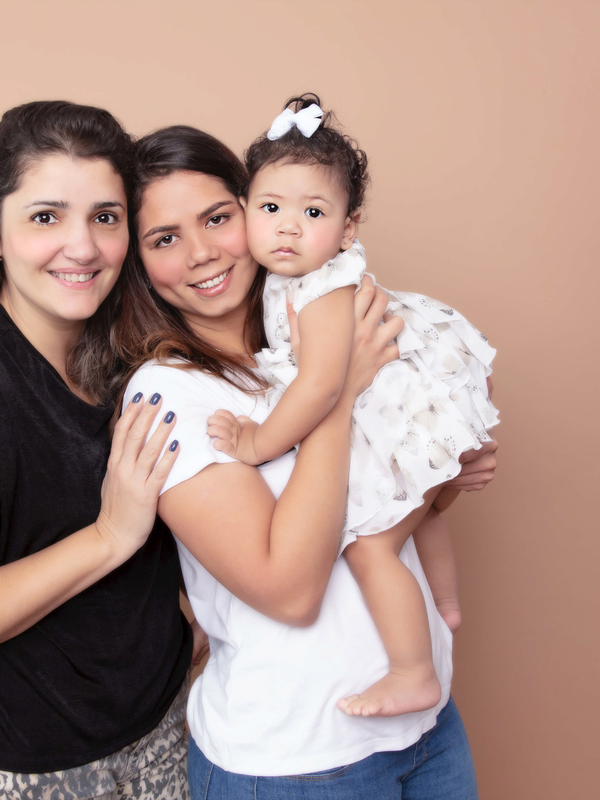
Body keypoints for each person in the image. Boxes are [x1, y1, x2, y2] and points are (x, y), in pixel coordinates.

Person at [113, 125, 497, 798]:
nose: (201, 253)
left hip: (427, 731)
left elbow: (388, 508)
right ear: (139, 263)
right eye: (164, 239)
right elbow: (289, 591)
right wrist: (338, 396)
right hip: (298, 760)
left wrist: (445, 474)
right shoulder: (169, 393)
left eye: (216, 218)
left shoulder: (305, 331)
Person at [0, 101, 199, 800]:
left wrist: (429, 466)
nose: (81, 247)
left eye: (105, 218)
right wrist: (110, 536)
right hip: (11, 771)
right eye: (46, 217)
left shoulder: (135, 361)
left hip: (157, 741)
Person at [207, 94, 500, 718]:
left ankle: (413, 670)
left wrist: (257, 442)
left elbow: (320, 386)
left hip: (399, 396)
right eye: (270, 208)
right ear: (246, 212)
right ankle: (444, 605)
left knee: (370, 548)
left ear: (348, 227)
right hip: (408, 401)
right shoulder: (288, 279)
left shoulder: (321, 287)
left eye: (312, 211)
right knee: (414, 512)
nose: (287, 226)